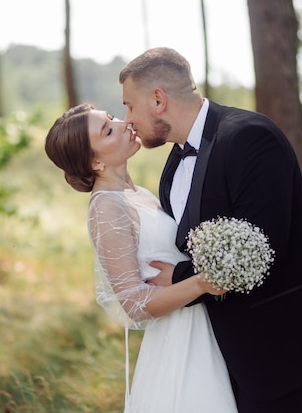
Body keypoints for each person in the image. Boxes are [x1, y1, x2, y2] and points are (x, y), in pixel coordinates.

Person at [118, 47, 302, 413]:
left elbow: (263, 248)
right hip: (227, 345)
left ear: (158, 99)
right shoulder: (174, 161)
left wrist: (180, 278)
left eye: (129, 105)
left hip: (284, 339)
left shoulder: (250, 137)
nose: (128, 119)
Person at [44, 103, 239, 413]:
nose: (124, 124)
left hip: (204, 324)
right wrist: (202, 282)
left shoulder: (141, 194)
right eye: (108, 130)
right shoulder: (106, 207)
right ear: (95, 161)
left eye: (112, 118)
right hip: (178, 340)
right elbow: (134, 304)